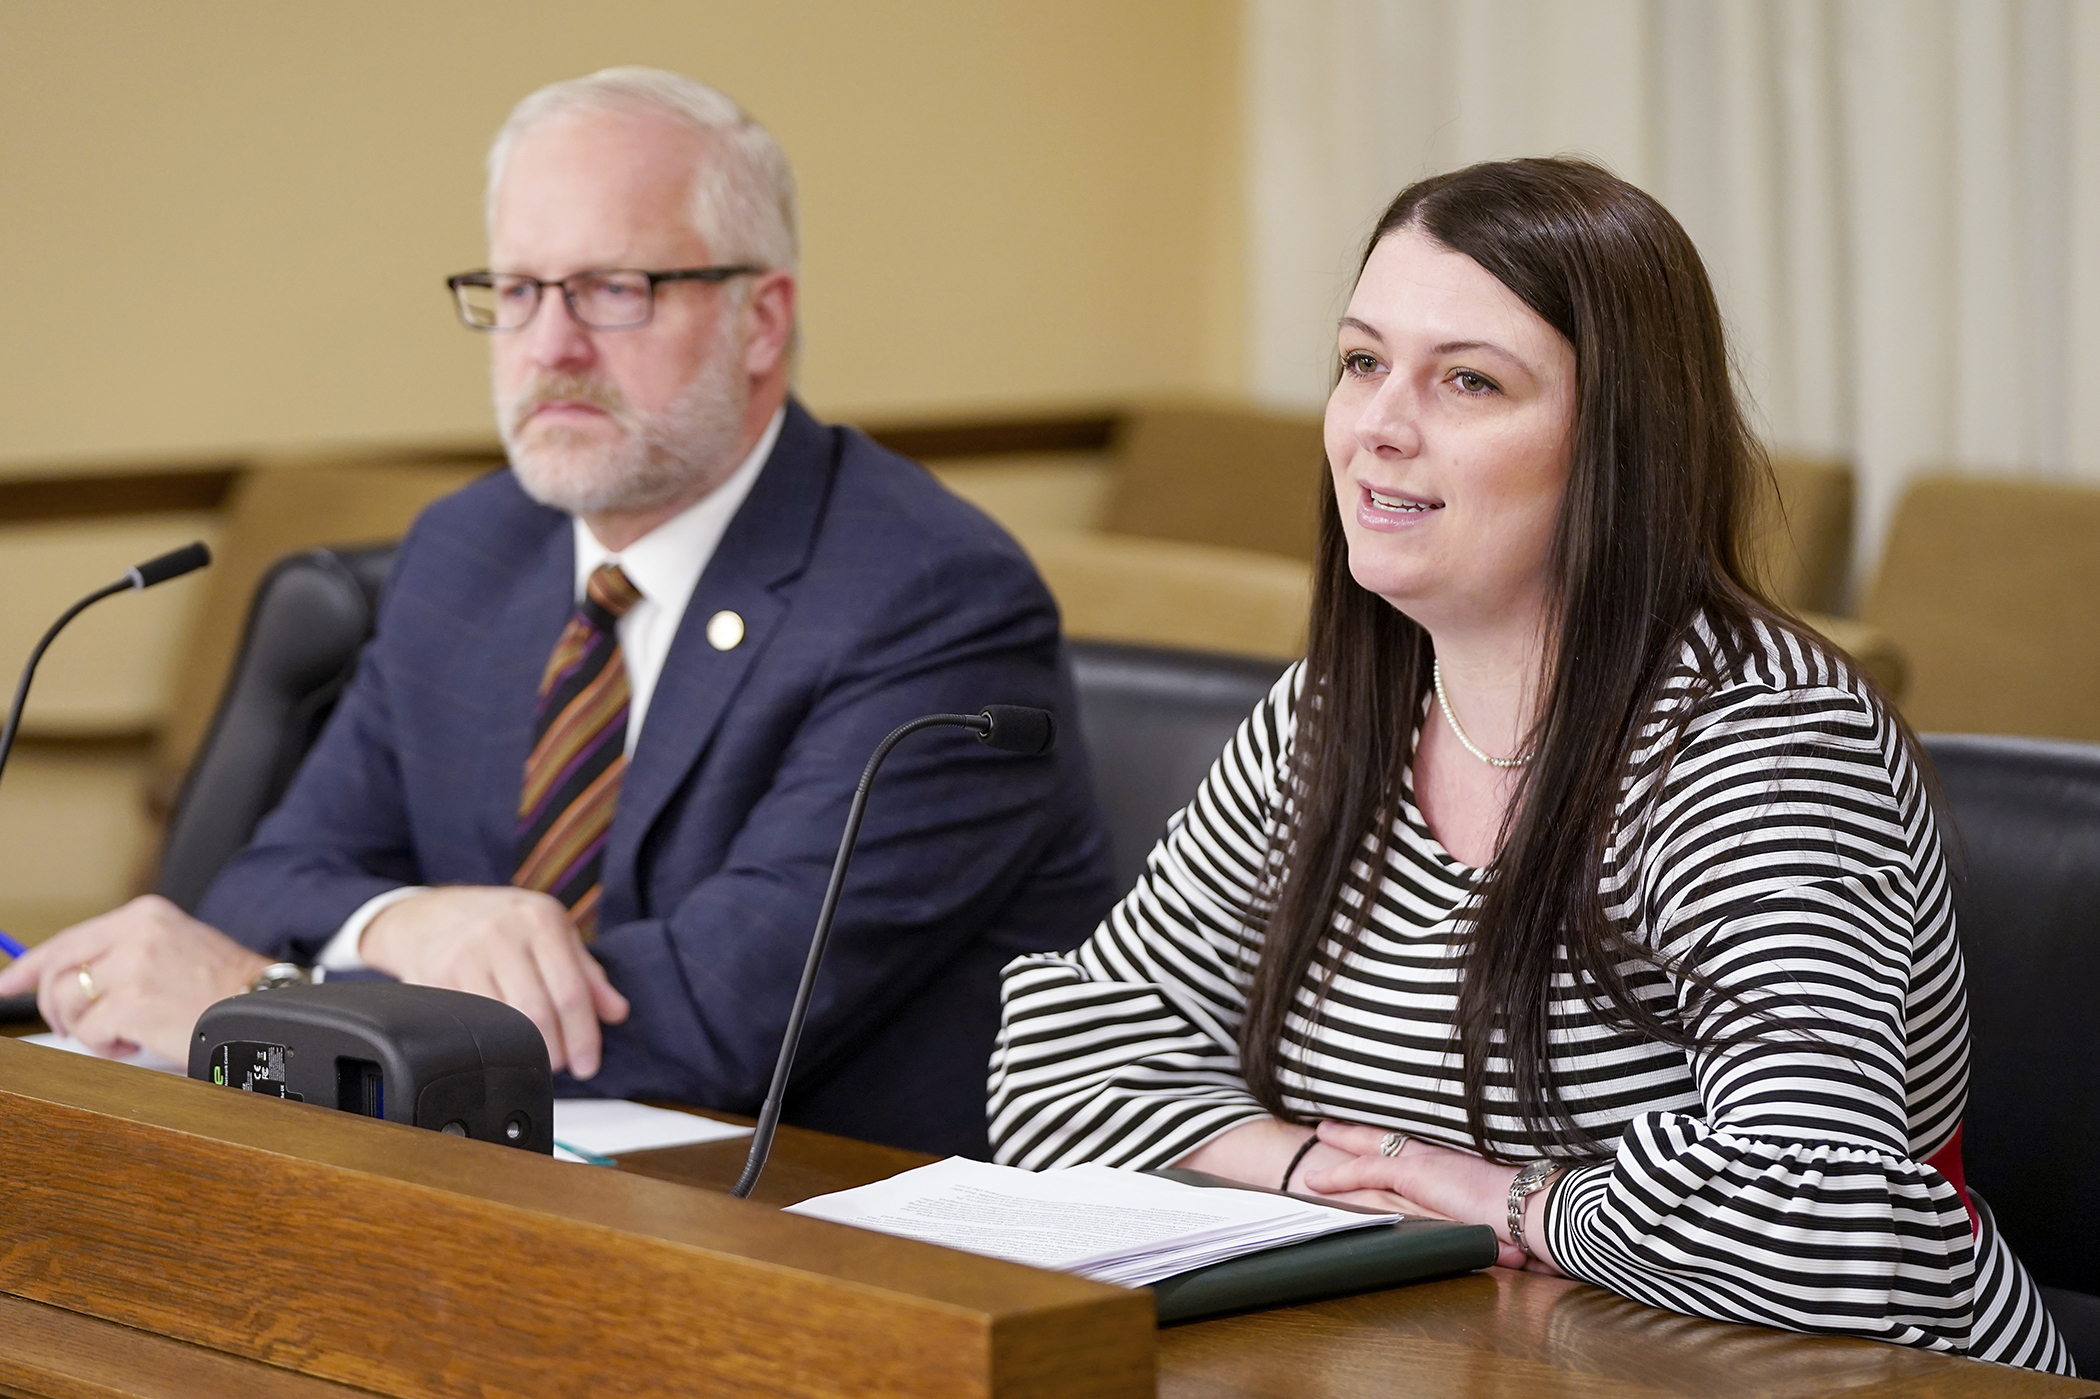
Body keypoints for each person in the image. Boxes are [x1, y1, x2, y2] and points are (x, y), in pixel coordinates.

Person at [986, 158, 2072, 1371]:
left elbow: (1818, 1216)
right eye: (1360, 362)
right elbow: (1056, 1057)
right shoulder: (1340, 705)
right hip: (1460, 1355)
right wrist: (1324, 1171)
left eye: (1468, 380)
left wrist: (1496, 1199)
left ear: (1617, 441)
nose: (1379, 426)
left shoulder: (1760, 744)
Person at [0, 67, 1114, 1159]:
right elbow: (265, 876)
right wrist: (408, 921)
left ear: (761, 319)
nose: (550, 347)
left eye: (614, 289)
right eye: (518, 291)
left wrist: (265, 995)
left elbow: (708, 1021)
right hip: (495, 1186)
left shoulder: (928, 598)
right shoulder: (468, 549)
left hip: (828, 1240)